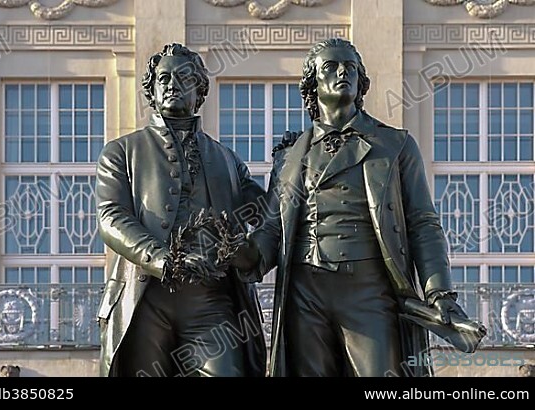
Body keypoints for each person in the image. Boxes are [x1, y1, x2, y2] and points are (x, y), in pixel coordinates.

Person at [236, 38, 469, 377]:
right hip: (305, 290)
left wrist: (440, 291)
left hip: (368, 288)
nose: (342, 72)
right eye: (330, 67)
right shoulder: (289, 155)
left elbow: (422, 223)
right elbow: (273, 230)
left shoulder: (394, 144)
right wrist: (242, 252)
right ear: (312, 83)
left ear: (362, 82)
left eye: (351, 67)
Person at [95, 43, 266, 377]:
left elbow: (268, 213)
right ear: (152, 90)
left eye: (184, 78)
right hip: (145, 296)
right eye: (164, 78)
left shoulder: (227, 160)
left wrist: (292, 165)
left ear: (199, 90)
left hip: (211, 301)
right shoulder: (121, 151)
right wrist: (162, 259)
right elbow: (111, 217)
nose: (173, 84)